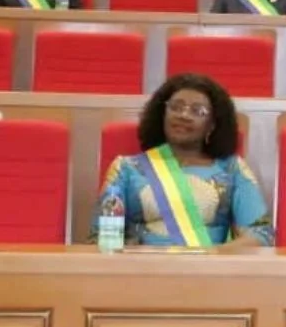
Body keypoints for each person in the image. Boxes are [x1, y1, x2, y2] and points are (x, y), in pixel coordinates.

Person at [94, 74, 273, 248]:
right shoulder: (126, 168)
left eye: (197, 111)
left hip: (210, 272)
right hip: (140, 272)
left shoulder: (232, 169)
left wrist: (211, 258)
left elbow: (260, 233)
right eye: (176, 107)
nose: (183, 115)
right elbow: (100, 238)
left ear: (212, 125)